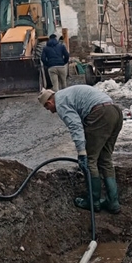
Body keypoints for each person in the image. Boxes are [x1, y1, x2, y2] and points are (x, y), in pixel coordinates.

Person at [37, 85, 123, 214]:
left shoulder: (61, 103)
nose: (51, 111)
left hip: (100, 114)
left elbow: (75, 126)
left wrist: (82, 153)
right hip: (115, 112)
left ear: (49, 102)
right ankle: (113, 202)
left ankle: (93, 202)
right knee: (105, 159)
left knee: (90, 160)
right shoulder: (67, 94)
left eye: (48, 108)